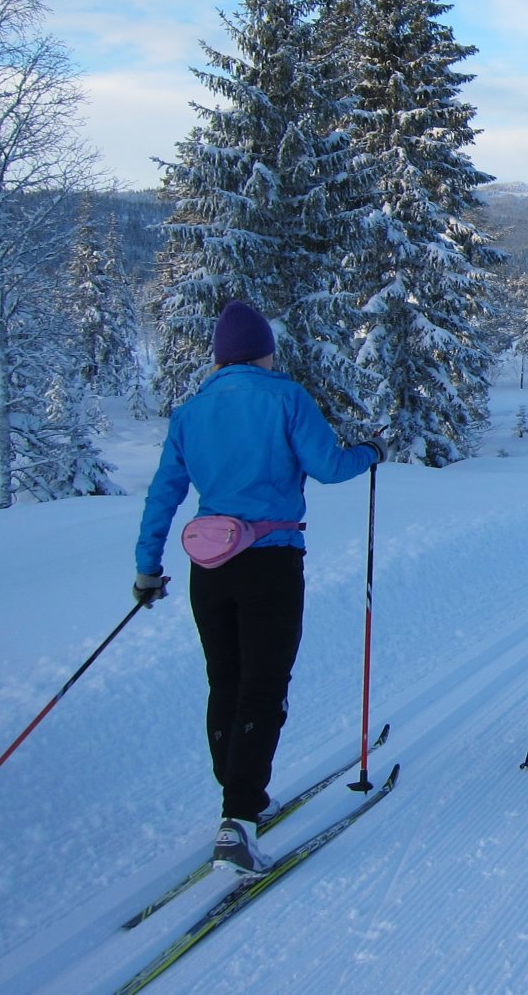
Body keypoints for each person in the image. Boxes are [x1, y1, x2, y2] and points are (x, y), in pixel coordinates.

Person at [131, 300, 382, 875]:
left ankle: (242, 795)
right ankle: (239, 818)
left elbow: (162, 497)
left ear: (222, 356)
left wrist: (148, 568)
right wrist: (372, 452)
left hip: (209, 566)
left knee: (226, 680)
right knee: (264, 686)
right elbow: (329, 466)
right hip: (270, 563)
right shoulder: (285, 397)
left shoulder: (190, 414)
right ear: (264, 350)